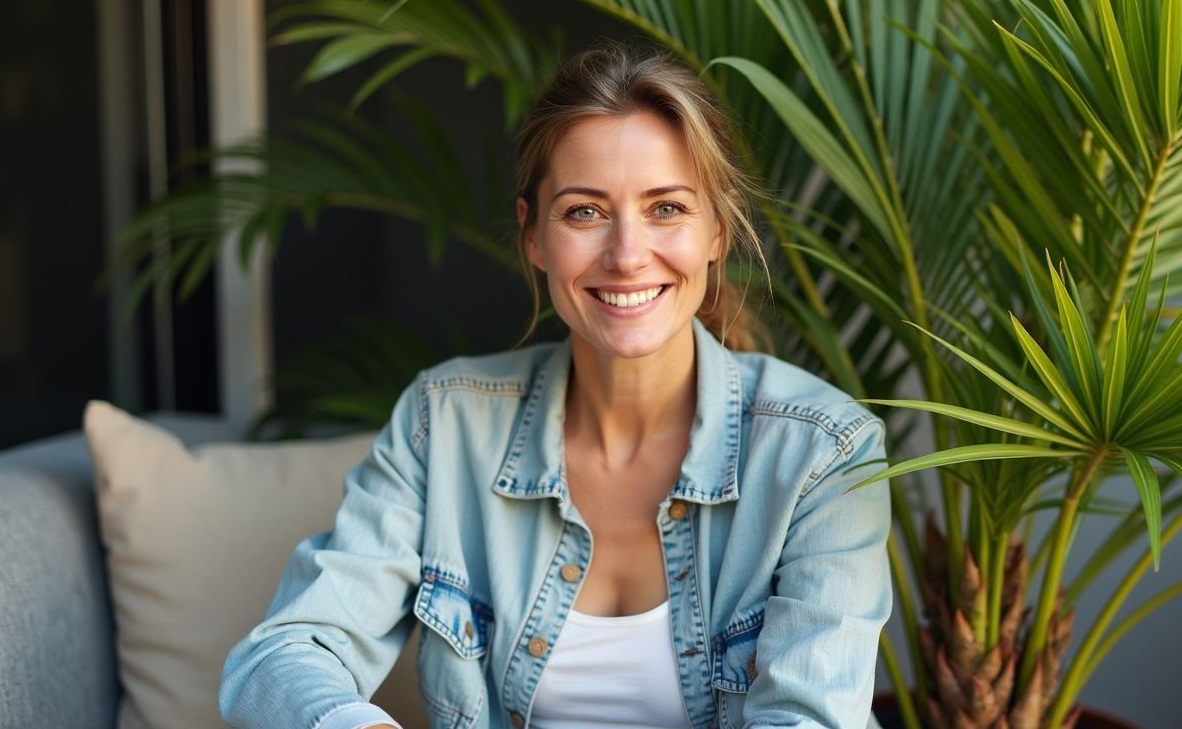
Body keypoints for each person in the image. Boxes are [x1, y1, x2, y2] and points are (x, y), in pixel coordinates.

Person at [220, 44, 892, 729]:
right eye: (583, 212)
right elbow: (282, 655)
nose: (628, 255)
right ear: (534, 236)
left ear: (716, 232)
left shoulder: (824, 453)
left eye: (666, 209)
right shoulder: (444, 425)